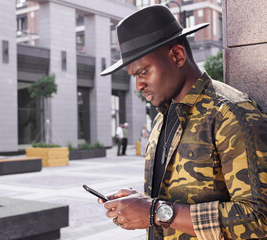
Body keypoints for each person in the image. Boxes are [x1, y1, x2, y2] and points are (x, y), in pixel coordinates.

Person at [98, 5, 267, 240]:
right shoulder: (162, 119)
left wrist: (156, 211)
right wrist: (142, 205)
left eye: (143, 72)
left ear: (177, 55)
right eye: (134, 76)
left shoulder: (229, 113)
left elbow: (259, 219)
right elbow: (166, 206)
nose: (138, 85)